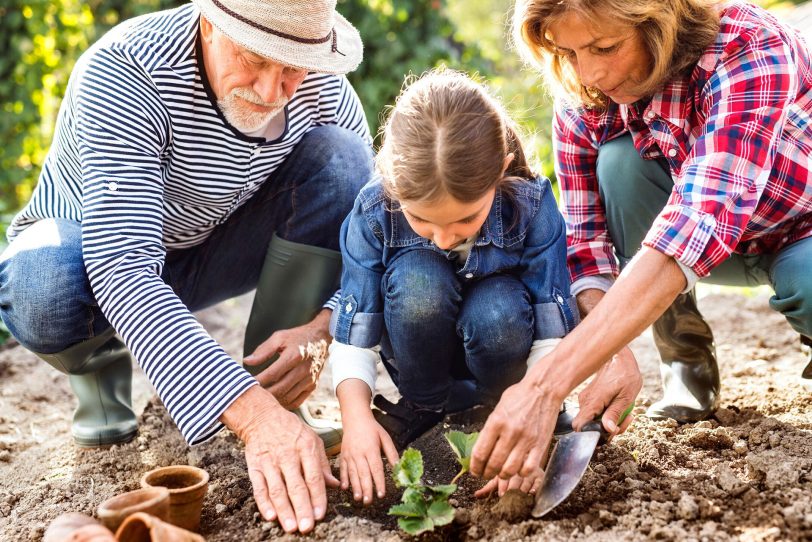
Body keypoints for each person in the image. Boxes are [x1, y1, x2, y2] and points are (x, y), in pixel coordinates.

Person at [0, 0, 374, 534]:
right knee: (44, 290)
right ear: (209, 23)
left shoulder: (324, 89)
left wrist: (321, 328)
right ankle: (104, 374)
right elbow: (122, 266)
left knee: (344, 163)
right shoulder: (129, 68)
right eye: (253, 59)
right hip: (94, 256)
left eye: (291, 67)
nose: (271, 92)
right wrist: (248, 416)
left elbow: (375, 238)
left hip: (211, 246)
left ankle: (274, 387)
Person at [469, 0, 812, 484]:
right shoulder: (586, 91)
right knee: (620, 165)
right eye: (568, 52)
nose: (587, 72)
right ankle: (685, 357)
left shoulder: (748, 45)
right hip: (708, 251)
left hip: (799, 229)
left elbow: (697, 223)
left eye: (604, 46)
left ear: (659, 22)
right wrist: (612, 353)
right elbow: (586, 247)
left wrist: (544, 388)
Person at [328, 69, 580, 503]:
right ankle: (425, 408)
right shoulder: (373, 212)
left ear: (500, 172)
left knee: (498, 309)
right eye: (422, 220)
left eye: (466, 219)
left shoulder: (532, 206)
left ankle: (501, 409)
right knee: (417, 279)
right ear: (391, 183)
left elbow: (550, 325)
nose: (445, 238)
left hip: (505, 360)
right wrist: (354, 421)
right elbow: (355, 334)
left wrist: (535, 404)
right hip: (422, 363)